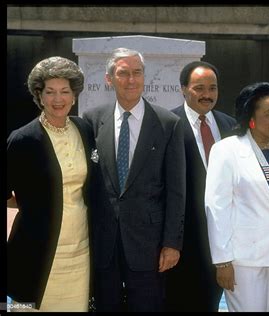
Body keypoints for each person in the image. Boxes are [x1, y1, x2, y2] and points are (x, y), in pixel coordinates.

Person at [82, 47, 186, 312]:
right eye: (123, 73)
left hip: (149, 246)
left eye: (137, 73)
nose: (131, 80)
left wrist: (172, 243)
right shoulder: (92, 121)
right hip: (104, 244)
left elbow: (177, 191)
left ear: (144, 77)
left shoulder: (168, 123)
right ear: (109, 79)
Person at [205, 82, 269, 312]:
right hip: (243, 258)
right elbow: (216, 208)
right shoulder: (226, 150)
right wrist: (222, 261)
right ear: (250, 117)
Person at [7, 56, 94, 311]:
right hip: (35, 254)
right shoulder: (22, 139)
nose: (58, 99)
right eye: (51, 92)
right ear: (39, 95)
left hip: (80, 255)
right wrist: (31, 204)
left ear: (74, 95)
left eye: (65, 91)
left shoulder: (84, 130)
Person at [164, 61, 236, 312]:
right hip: (182, 248)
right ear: (183, 89)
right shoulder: (166, 124)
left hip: (222, 247)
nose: (207, 95)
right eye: (199, 88)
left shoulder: (230, 126)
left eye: (212, 88)